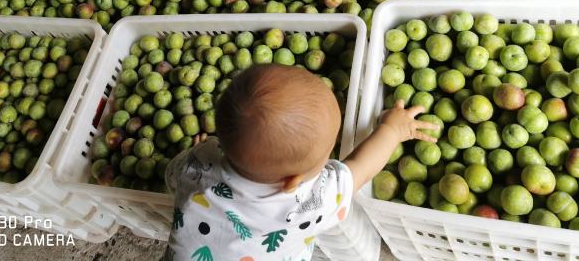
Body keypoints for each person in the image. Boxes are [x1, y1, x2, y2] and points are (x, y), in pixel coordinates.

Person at [163, 64, 436, 260]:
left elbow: (171, 178)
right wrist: (393, 130)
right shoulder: (310, 202)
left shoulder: (198, 161)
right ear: (292, 181)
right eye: (328, 153)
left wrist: (200, 153)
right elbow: (361, 169)